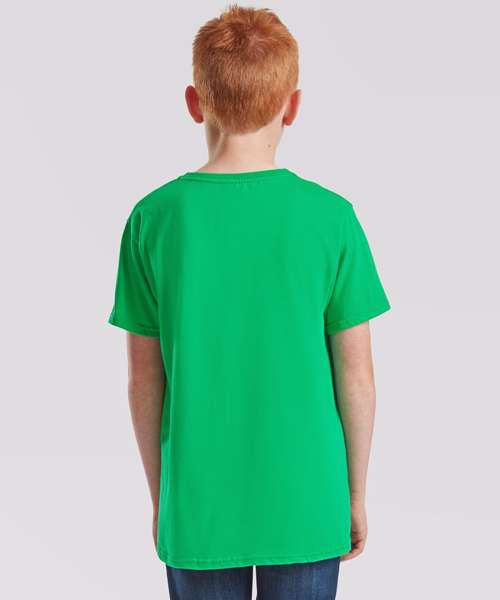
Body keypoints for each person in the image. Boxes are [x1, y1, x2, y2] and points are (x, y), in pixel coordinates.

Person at [108, 5, 391, 599]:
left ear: (194, 102)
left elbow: (143, 378)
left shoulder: (153, 219)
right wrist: (355, 494)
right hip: (309, 498)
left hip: (199, 501)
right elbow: (357, 376)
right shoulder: (332, 218)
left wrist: (163, 498)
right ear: (292, 106)